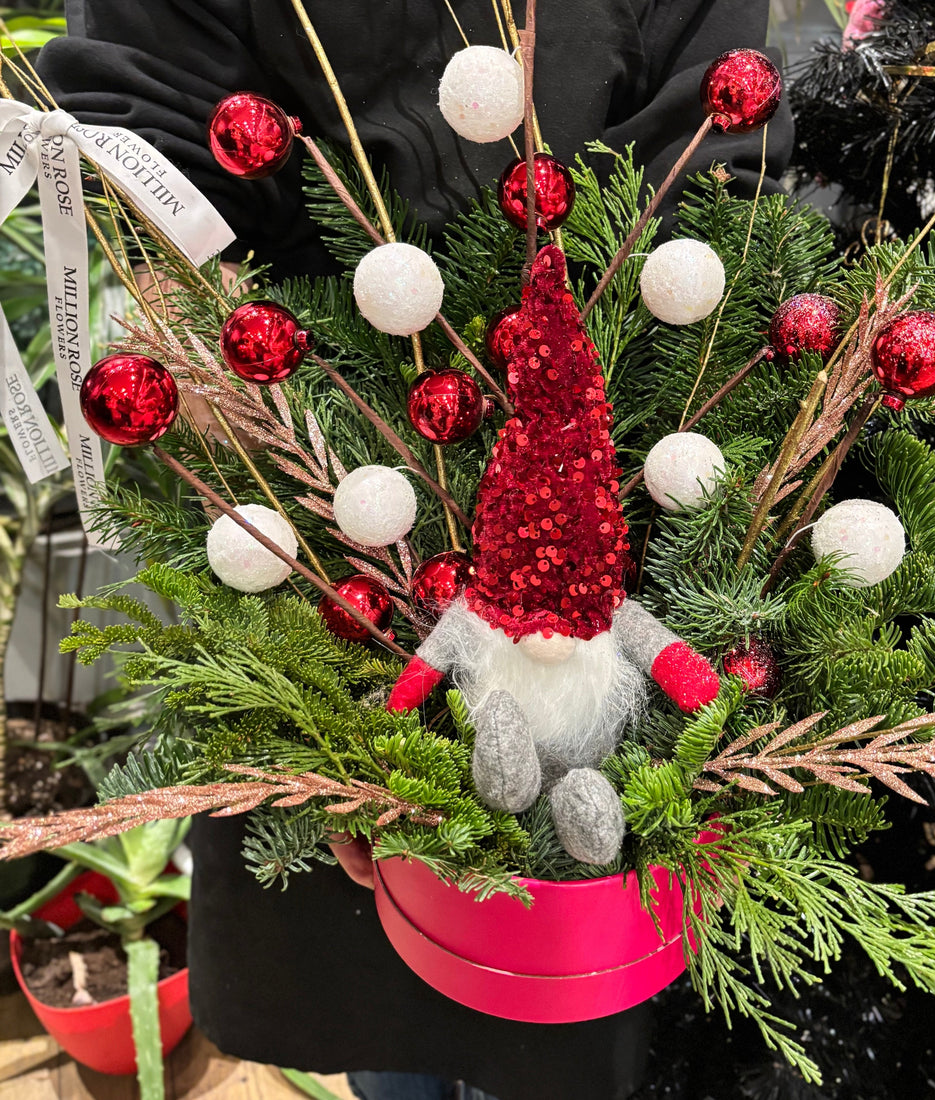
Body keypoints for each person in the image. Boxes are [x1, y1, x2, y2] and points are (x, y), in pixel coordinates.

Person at [37, 4, 791, 1098]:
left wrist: (703, 682)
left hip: (639, 436)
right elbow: (147, 106)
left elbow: (719, 147)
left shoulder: (600, 534)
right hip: (314, 501)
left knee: (561, 1017)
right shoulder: (463, 595)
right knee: (378, 1003)